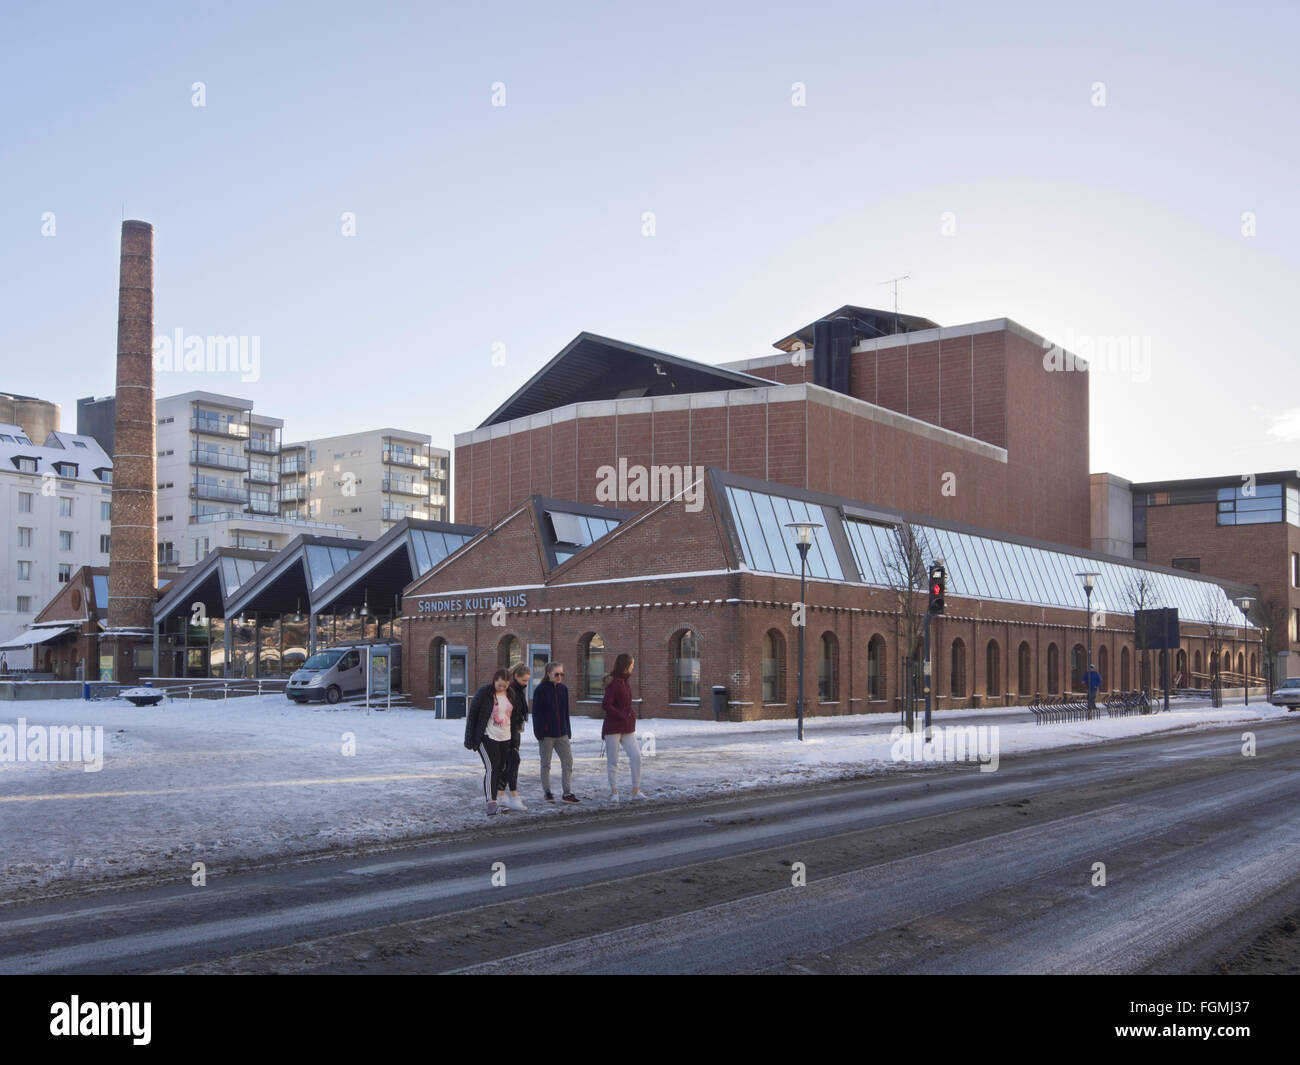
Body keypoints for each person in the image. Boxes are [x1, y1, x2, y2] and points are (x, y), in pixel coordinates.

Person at [464, 669, 515, 816]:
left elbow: (513, 716)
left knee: (502, 768)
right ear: (494, 681)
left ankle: (499, 798)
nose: (501, 688)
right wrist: (470, 739)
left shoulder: (510, 694)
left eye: (504, 686)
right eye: (499, 685)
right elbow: (472, 716)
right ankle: (491, 803)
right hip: (487, 736)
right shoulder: (484, 693)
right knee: (492, 768)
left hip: (505, 737)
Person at [601, 653, 645, 802]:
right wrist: (621, 714)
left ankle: (636, 791)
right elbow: (606, 704)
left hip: (627, 727)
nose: (634, 666)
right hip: (613, 727)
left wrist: (629, 715)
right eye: (632, 664)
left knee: (636, 756)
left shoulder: (625, 681)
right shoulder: (614, 683)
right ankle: (614, 792)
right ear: (626, 666)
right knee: (613, 761)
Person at [533, 661, 579, 803]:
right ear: (548, 674)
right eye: (556, 674)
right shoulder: (540, 690)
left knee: (568, 762)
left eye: (561, 674)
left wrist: (568, 730)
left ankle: (567, 793)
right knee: (546, 764)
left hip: (562, 733)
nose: (559, 677)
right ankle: (547, 792)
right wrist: (539, 732)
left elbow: (565, 712)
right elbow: (536, 713)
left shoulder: (563, 689)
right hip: (546, 735)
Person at [502, 664, 531, 811]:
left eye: (527, 681)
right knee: (512, 763)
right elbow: (510, 715)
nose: (526, 683)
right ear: (515, 677)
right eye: (524, 680)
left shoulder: (518, 691)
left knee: (509, 764)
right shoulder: (512, 691)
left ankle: (501, 794)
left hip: (514, 733)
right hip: (508, 734)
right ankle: (512, 795)